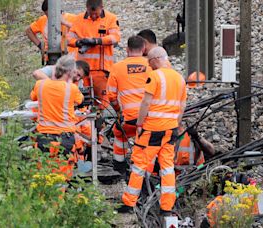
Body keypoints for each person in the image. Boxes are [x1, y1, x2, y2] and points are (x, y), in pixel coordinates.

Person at [121, 47, 187, 215]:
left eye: (149, 63)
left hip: (152, 130)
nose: (149, 66)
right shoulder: (179, 78)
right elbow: (182, 106)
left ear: (155, 59)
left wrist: (140, 124)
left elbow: (146, 103)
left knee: (139, 165)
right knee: (167, 168)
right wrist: (175, 125)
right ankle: (167, 207)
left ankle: (129, 203)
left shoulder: (155, 76)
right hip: (170, 129)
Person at [106, 36, 151, 174]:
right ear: (144, 49)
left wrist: (119, 111)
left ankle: (119, 165)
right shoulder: (151, 65)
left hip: (130, 118)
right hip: (150, 118)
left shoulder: (117, 67)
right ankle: (149, 168)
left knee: (119, 133)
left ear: (127, 50)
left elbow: (111, 96)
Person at [67, 0, 120, 109]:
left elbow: (115, 38)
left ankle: (101, 124)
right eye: (91, 13)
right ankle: (82, 125)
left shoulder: (111, 18)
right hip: (82, 71)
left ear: (102, 7)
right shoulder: (79, 19)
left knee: (103, 103)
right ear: (86, 7)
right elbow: (68, 39)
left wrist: (96, 41)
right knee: (81, 102)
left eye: (96, 13)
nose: (94, 15)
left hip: (101, 70)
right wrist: (77, 42)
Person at [30, 55, 84, 156]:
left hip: (43, 137)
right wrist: (69, 81)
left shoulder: (40, 85)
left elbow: (33, 97)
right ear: (70, 72)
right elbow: (80, 100)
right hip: (65, 138)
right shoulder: (72, 88)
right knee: (64, 170)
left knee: (43, 170)